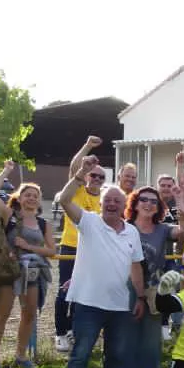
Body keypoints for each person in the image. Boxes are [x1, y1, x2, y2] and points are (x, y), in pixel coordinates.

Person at [58, 156, 146, 368]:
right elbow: (63, 200)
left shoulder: (131, 232)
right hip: (88, 304)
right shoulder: (89, 222)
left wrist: (140, 297)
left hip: (120, 307)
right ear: (101, 204)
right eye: (107, 200)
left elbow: (136, 267)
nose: (111, 204)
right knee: (80, 356)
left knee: (115, 357)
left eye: (117, 202)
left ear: (123, 206)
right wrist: (80, 174)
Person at [0, 160, 55, 368]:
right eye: (27, 194)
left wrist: (28, 247)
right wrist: (6, 171)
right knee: (3, 314)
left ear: (39, 201)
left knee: (29, 314)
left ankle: (21, 355)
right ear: (19, 197)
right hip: (9, 271)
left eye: (35, 196)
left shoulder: (44, 224)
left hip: (33, 272)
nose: (31, 198)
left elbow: (52, 251)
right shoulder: (10, 216)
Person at [122, 186, 182, 368]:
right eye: (144, 199)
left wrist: (180, 196)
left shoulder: (163, 230)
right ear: (135, 203)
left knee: (151, 338)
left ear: (159, 207)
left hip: (154, 291)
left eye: (154, 201)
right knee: (130, 337)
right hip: (126, 289)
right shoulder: (124, 227)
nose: (148, 204)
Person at [54, 136, 103, 352]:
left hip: (90, 252)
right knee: (65, 290)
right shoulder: (78, 189)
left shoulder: (104, 199)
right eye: (93, 175)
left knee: (82, 291)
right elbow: (74, 167)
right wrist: (88, 146)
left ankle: (74, 329)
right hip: (70, 247)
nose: (96, 179)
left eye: (101, 177)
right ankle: (60, 333)